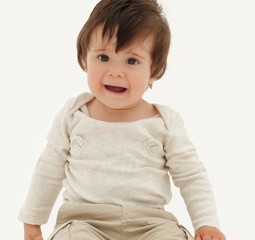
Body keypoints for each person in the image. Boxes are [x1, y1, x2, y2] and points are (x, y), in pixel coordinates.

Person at [19, 0, 226, 239]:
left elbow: (191, 175)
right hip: (84, 222)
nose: (115, 72)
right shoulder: (74, 114)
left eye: (132, 61)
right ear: (84, 58)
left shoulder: (165, 122)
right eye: (104, 57)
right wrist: (32, 222)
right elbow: (49, 169)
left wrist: (207, 223)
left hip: (151, 224)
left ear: (155, 70)